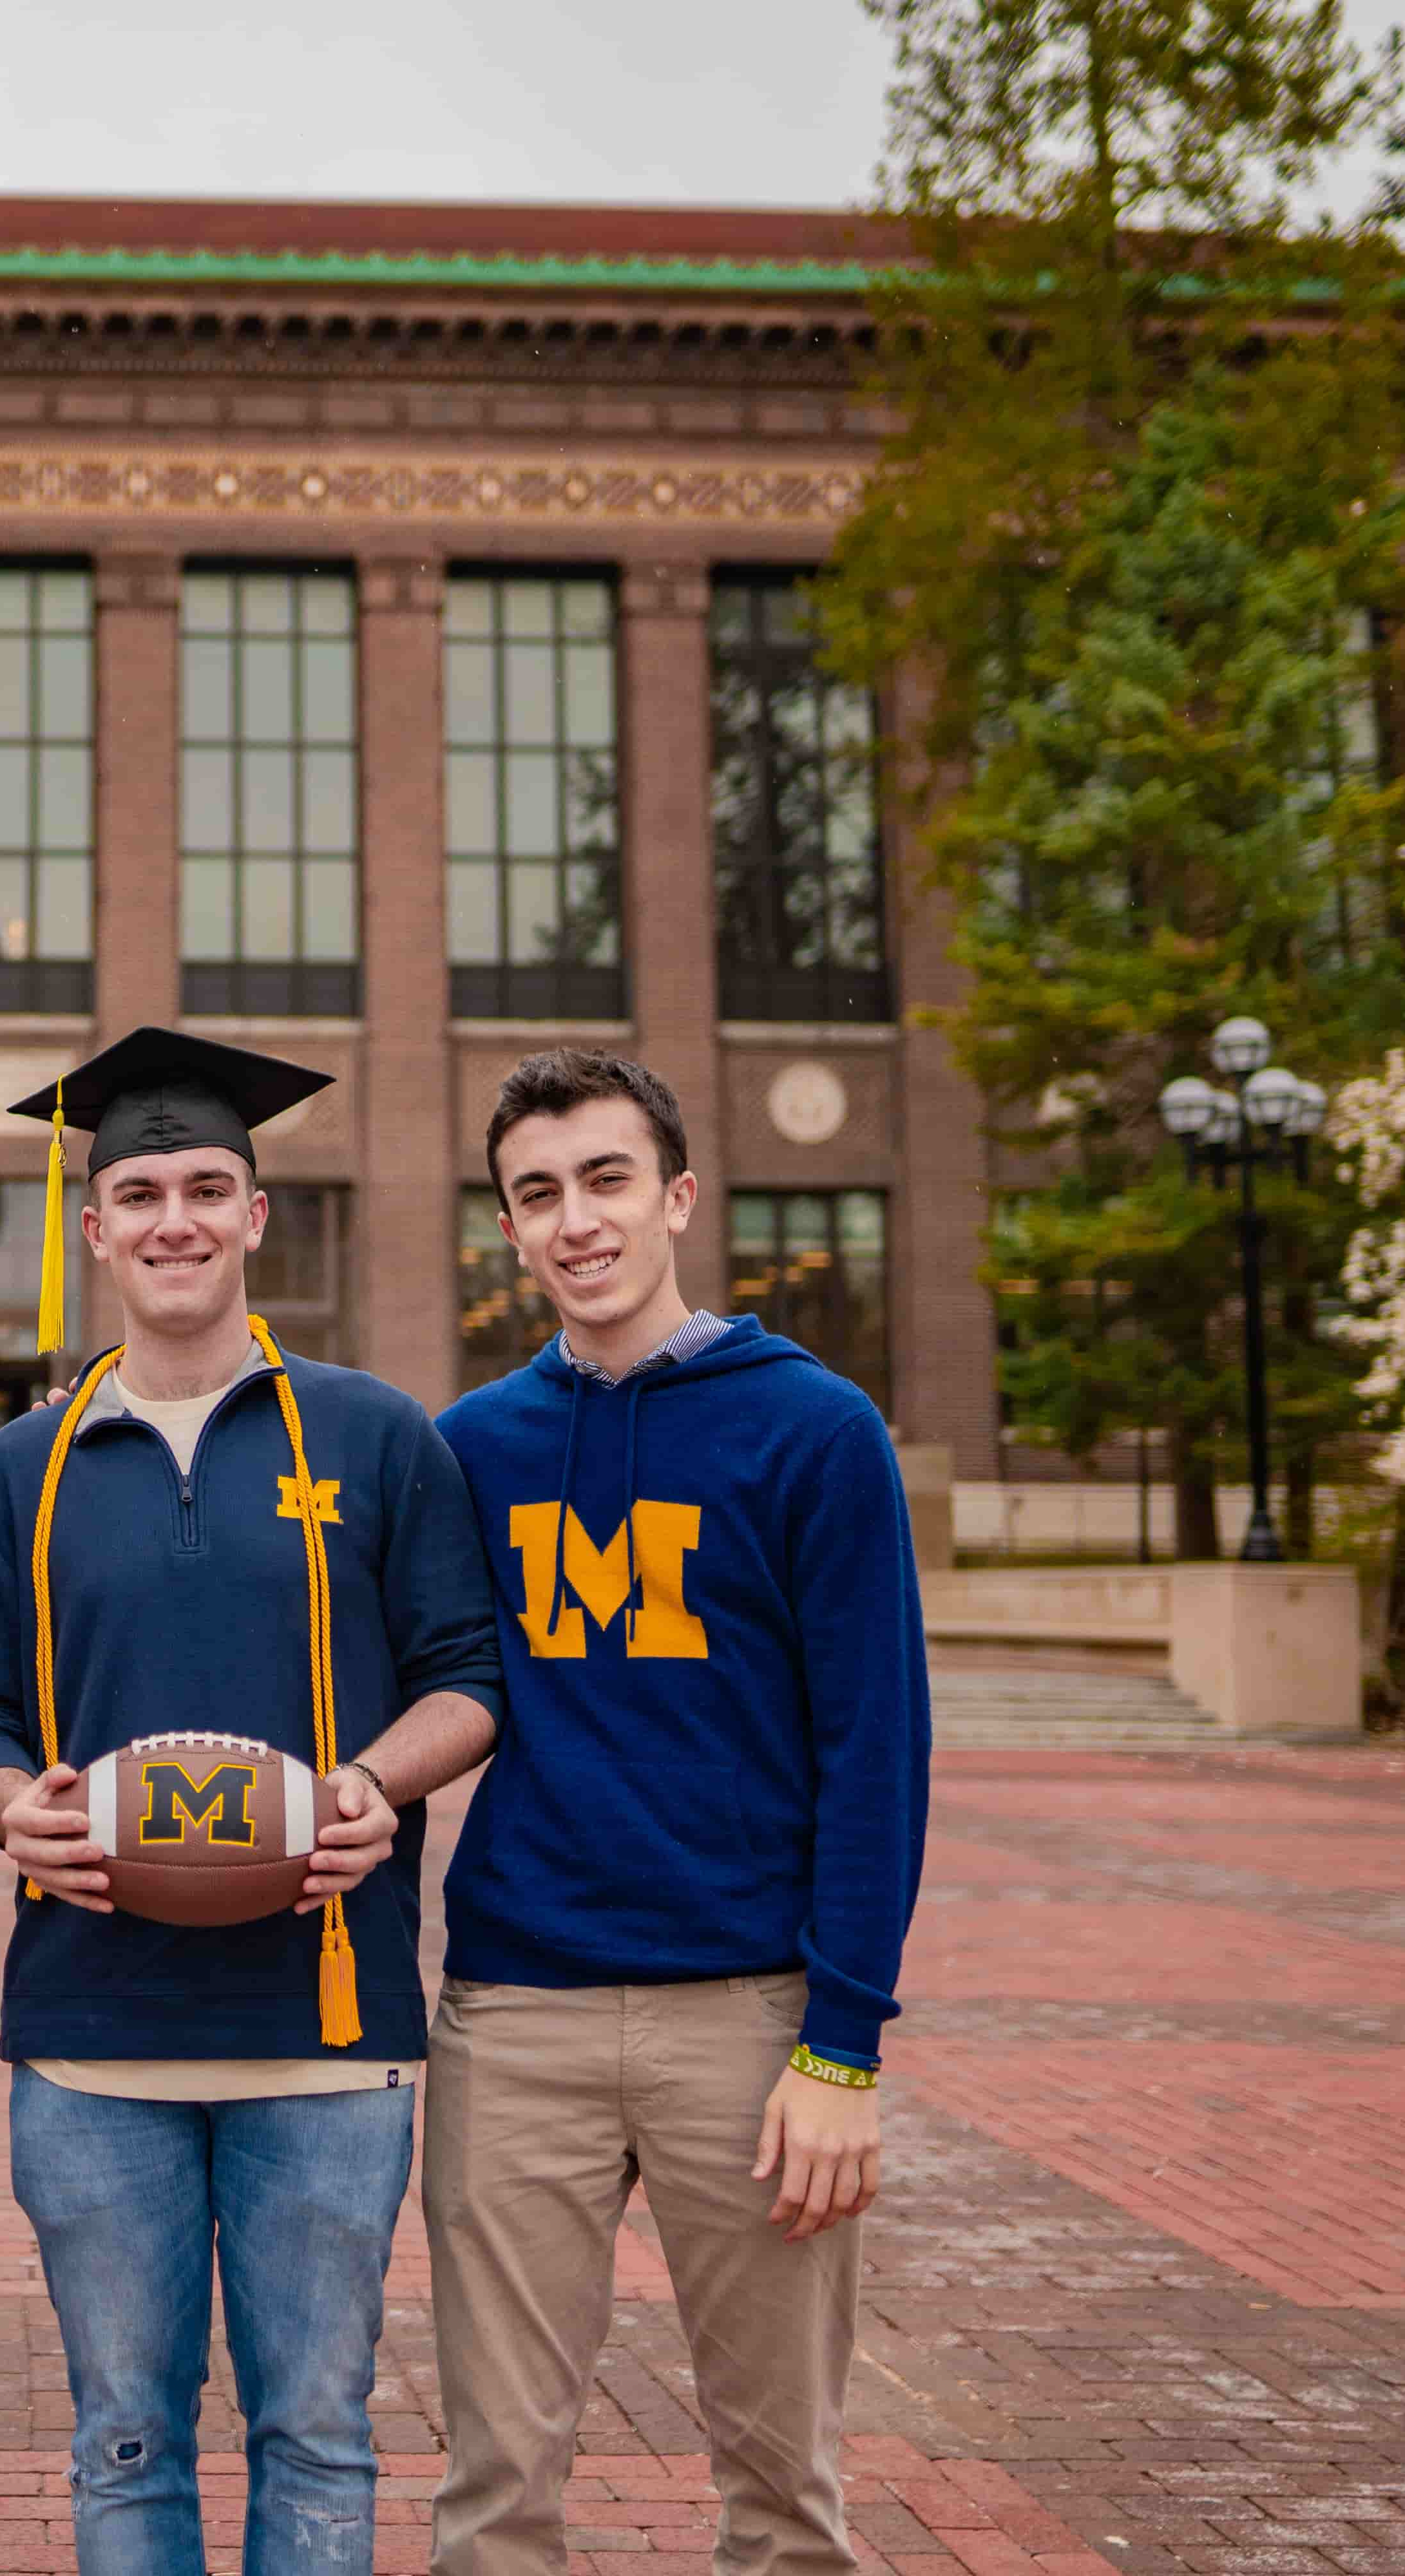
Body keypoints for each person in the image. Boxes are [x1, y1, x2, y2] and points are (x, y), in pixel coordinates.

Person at [0, 1028, 508, 2576]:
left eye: (205, 1185)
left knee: (316, 2427)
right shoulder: (21, 1468)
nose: (172, 1216)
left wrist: (377, 1784)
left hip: (329, 2028)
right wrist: (0, 1800)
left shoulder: (377, 1434)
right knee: (125, 2433)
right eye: (138, 1189)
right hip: (92, 2036)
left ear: (256, 1213)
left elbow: (470, 1672)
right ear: (93, 1223)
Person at [423, 1048, 931, 2576]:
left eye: (605, 1178)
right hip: (516, 2015)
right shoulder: (472, 1449)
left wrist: (844, 2041)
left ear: (677, 1195)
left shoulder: (815, 1429)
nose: (575, 1219)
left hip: (751, 2020)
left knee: (784, 2494)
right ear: (507, 1227)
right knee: (495, 2484)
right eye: (537, 1192)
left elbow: (878, 1748)